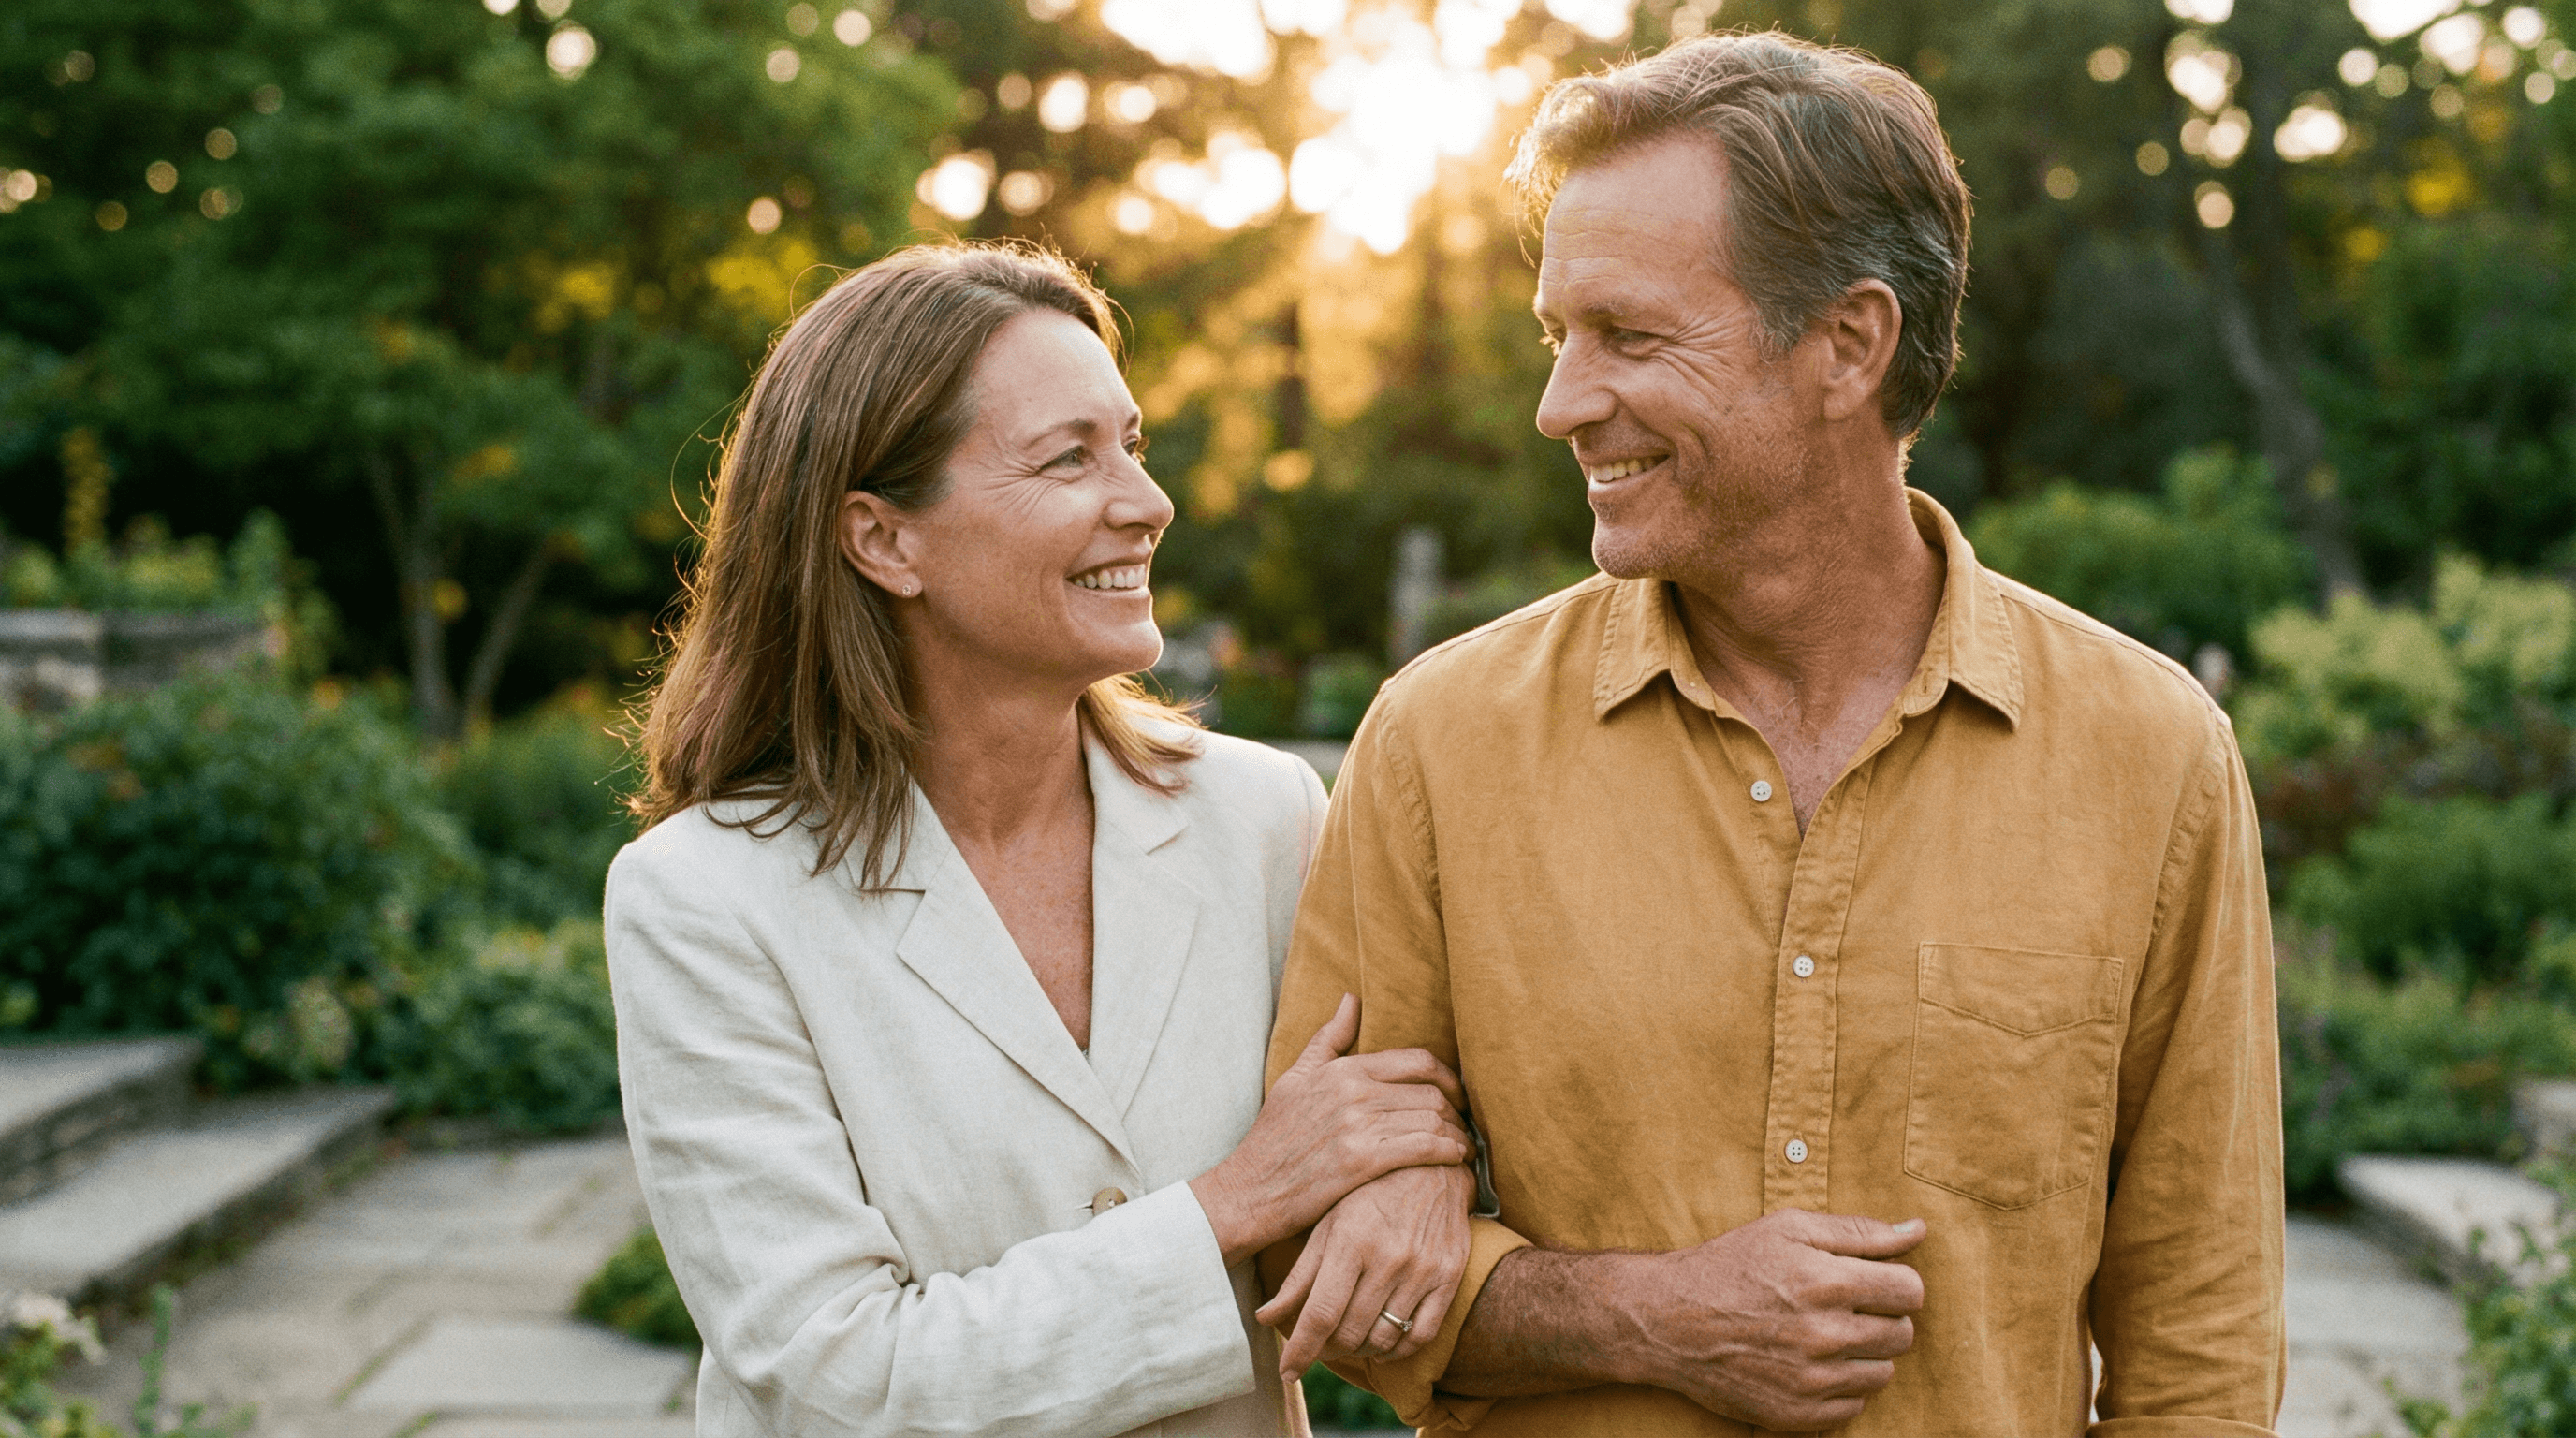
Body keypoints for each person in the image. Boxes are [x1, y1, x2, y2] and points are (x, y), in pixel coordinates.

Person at [1259, 32, 2286, 1438]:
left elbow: (2202, 1342)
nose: (1560, 403)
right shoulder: (1442, 744)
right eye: (1557, 336)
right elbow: (1314, 1254)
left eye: (1628, 335)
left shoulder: (2150, 754)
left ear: (1849, 344)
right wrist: (1651, 1314)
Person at [605, 242, 1473, 1438]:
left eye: (1132, 444)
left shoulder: (1264, 818)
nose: (1145, 501)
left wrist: (1418, 1169)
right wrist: (1230, 1204)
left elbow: (1402, 1123)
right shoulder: (705, 898)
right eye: (1069, 457)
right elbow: (841, 1382)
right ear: (883, 541)